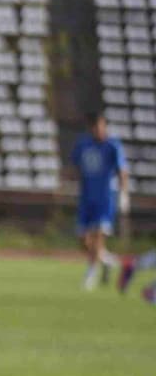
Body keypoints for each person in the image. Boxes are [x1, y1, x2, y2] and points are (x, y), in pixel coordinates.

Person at [73, 112, 130, 291]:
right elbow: (76, 166)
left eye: (101, 126)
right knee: (83, 240)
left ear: (105, 126)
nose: (98, 130)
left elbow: (122, 171)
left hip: (105, 198)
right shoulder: (83, 144)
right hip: (86, 198)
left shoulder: (113, 146)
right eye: (95, 126)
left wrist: (123, 194)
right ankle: (108, 261)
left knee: (98, 238)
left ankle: (90, 275)